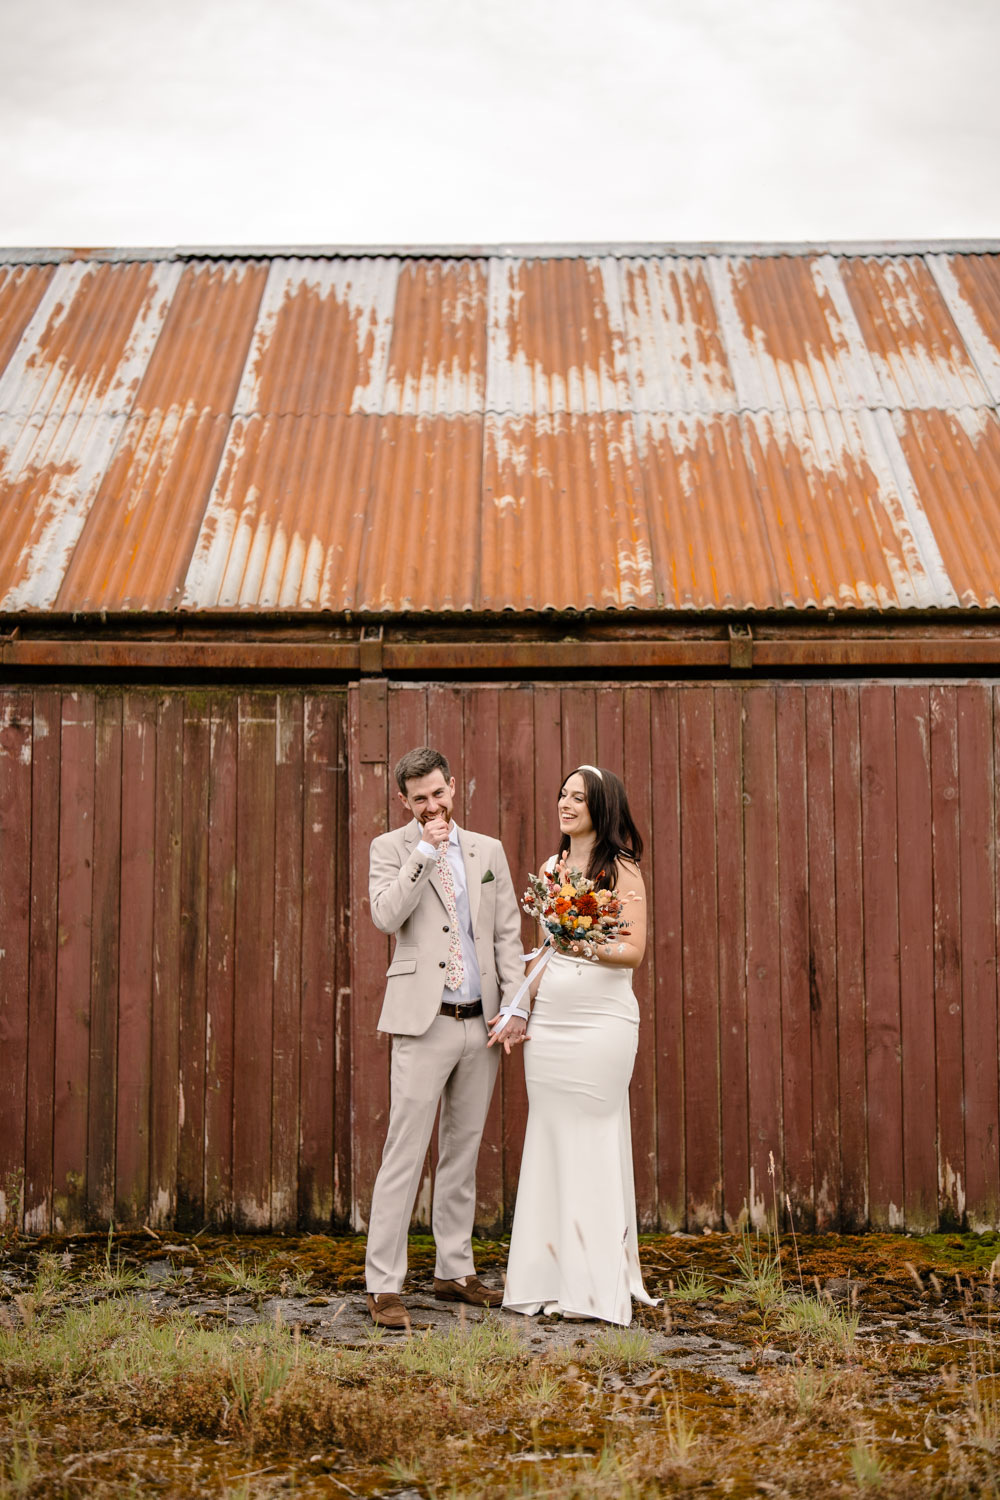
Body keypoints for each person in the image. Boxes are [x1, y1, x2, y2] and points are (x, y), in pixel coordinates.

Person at [364, 746, 525, 1328]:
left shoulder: (488, 851)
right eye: (419, 799)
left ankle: (454, 1271)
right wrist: (425, 854)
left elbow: (507, 932)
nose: (432, 806)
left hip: (481, 1024)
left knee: (463, 1151)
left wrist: (516, 1008)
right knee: (403, 1155)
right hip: (422, 1023)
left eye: (438, 793)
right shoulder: (392, 849)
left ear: (453, 787)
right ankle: (383, 1284)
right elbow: (385, 916)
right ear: (404, 801)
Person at [494, 764, 658, 1325]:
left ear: (601, 807)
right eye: (562, 793)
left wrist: (578, 940)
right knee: (549, 1139)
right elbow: (541, 953)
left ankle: (591, 1289)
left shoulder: (624, 871)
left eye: (578, 797)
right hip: (553, 1024)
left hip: (601, 1022)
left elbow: (633, 952)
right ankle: (543, 1279)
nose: (565, 804)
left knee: (591, 1136)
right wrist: (519, 1009)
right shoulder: (551, 868)